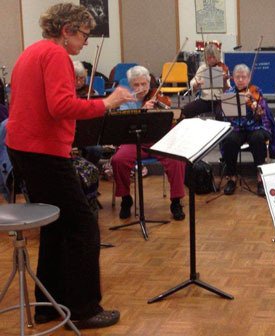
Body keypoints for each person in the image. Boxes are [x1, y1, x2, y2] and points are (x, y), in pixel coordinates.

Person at [5, 3, 133, 329]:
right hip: (43, 153)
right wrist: (106, 103)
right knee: (83, 227)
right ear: (67, 31)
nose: (86, 43)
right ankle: (83, 309)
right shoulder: (56, 55)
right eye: (84, 35)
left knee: (56, 227)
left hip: (24, 149)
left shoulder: (31, 52)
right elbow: (60, 105)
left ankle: (49, 306)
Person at [110, 65, 186, 221]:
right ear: (131, 85)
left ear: (149, 83)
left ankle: (176, 201)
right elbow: (123, 124)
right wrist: (142, 111)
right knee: (119, 160)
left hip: (158, 140)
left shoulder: (157, 97)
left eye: (144, 84)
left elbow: (170, 121)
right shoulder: (126, 100)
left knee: (176, 159)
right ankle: (125, 198)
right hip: (133, 141)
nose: (141, 88)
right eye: (136, 85)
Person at [221, 64, 275, 196]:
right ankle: (232, 177)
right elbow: (226, 115)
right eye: (238, 77)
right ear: (233, 78)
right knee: (229, 140)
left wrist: (254, 105)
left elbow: (263, 114)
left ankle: (260, 178)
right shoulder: (229, 94)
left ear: (248, 78)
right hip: (237, 128)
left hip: (254, 127)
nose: (241, 80)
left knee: (258, 138)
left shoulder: (256, 91)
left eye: (244, 77)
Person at [182, 42, 230, 119]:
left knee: (221, 114)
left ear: (217, 56)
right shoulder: (202, 68)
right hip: (205, 100)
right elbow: (193, 81)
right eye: (209, 57)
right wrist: (196, 84)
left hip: (219, 100)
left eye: (213, 57)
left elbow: (226, 89)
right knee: (186, 110)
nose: (211, 60)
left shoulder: (222, 67)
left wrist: (224, 81)